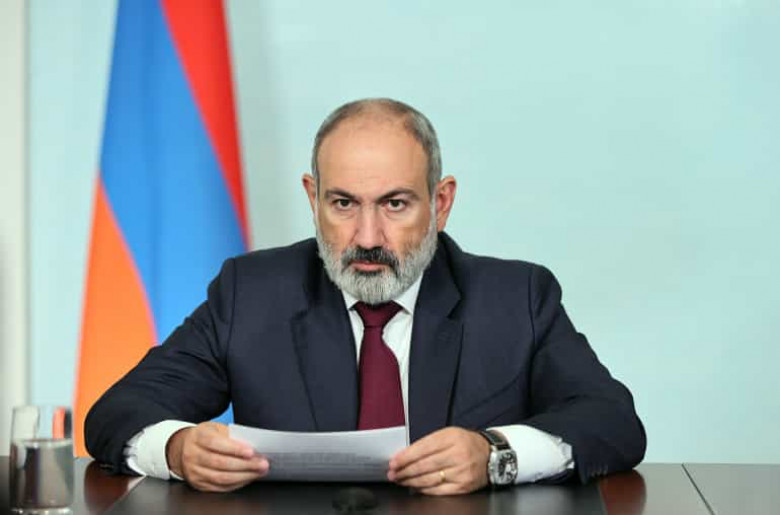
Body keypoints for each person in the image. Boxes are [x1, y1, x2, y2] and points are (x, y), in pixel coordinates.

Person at [86, 98, 646, 495]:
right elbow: (117, 413)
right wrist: (179, 450)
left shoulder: (516, 298)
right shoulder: (251, 293)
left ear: (441, 203)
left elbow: (612, 421)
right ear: (313, 198)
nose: (368, 237)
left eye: (395, 204)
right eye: (344, 204)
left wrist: (494, 455)